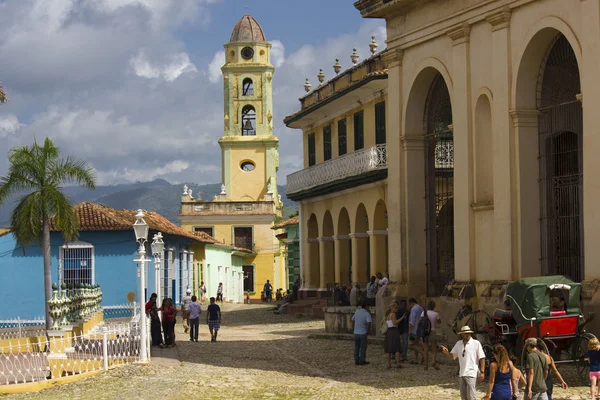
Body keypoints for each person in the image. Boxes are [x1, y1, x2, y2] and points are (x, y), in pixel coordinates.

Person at [441, 325, 486, 400]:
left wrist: (482, 372)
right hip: (462, 373)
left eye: (469, 333)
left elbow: (482, 358)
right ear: (462, 334)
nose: (468, 334)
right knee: (463, 396)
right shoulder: (459, 344)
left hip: (472, 372)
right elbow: (453, 357)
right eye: (466, 333)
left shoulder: (476, 343)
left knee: (471, 396)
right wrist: (447, 352)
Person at [418, 300, 441, 370]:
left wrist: (418, 330)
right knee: (434, 348)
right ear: (434, 306)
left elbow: (419, 321)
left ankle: (425, 365)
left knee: (425, 348)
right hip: (432, 331)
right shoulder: (436, 314)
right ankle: (433, 361)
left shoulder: (424, 312)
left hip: (425, 332)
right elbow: (439, 322)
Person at [384, 302, 404, 369]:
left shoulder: (387, 315)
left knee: (388, 348)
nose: (397, 309)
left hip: (388, 332)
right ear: (392, 308)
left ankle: (388, 363)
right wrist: (401, 318)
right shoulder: (393, 315)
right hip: (394, 331)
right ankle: (398, 363)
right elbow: (394, 322)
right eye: (396, 307)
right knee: (397, 348)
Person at [407, 298, 424, 364]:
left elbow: (412, 320)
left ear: (411, 303)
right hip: (419, 329)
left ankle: (423, 354)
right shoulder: (421, 308)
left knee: (411, 344)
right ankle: (416, 359)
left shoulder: (414, 309)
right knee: (416, 344)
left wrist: (410, 330)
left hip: (414, 329)